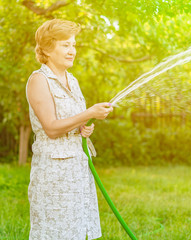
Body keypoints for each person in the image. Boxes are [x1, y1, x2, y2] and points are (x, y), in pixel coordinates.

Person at [25, 19, 113, 240]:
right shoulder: (39, 80)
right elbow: (52, 129)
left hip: (78, 167)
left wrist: (84, 128)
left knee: (77, 231)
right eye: (65, 45)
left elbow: (73, 121)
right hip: (54, 172)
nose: (72, 51)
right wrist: (89, 113)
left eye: (73, 45)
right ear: (46, 48)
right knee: (55, 232)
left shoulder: (72, 80)